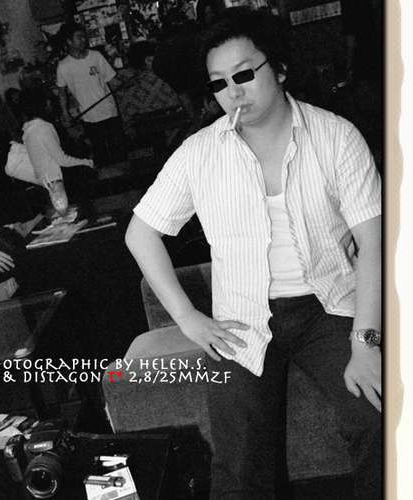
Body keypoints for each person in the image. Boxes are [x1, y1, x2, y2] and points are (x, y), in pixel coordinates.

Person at [125, 8, 381, 500]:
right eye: (219, 83)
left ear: (279, 69)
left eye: (244, 74)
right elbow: (141, 233)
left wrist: (366, 343)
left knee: (375, 417)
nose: (233, 92)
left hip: (328, 307)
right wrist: (188, 319)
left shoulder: (336, 136)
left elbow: (372, 242)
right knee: (239, 461)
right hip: (241, 316)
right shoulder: (200, 152)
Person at [20, 87, 96, 218]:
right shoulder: (43, 128)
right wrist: (87, 162)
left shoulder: (27, 130)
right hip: (57, 183)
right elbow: (61, 159)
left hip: (44, 182)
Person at [56, 23, 125, 166]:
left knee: (119, 151)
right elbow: (62, 93)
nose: (83, 40)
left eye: (84, 36)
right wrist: (65, 113)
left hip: (109, 111)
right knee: (101, 154)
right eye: (79, 37)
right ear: (69, 41)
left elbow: (112, 79)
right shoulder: (63, 66)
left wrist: (124, 84)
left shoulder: (96, 56)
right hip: (89, 117)